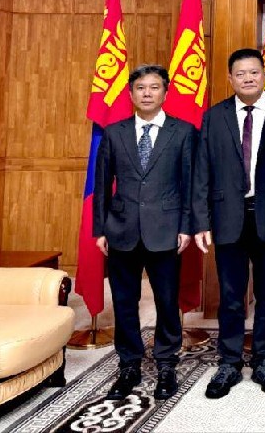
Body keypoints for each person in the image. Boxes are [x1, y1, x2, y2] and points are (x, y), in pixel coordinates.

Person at [193, 48, 265, 398]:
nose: (248, 79)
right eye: (240, 73)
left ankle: (264, 360)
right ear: (230, 78)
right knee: (230, 296)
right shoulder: (215, 116)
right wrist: (201, 221)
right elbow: (202, 171)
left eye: (254, 72)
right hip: (227, 216)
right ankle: (228, 362)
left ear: (264, 73)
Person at [93, 64, 196, 401]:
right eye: (140, 88)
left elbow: (189, 183)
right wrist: (100, 229)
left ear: (165, 92)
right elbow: (102, 184)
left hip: (166, 229)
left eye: (154, 87)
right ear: (131, 93)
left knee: (167, 301)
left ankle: (166, 363)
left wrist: (186, 227)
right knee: (124, 301)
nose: (147, 93)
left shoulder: (183, 132)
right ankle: (129, 364)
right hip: (121, 229)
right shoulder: (114, 133)